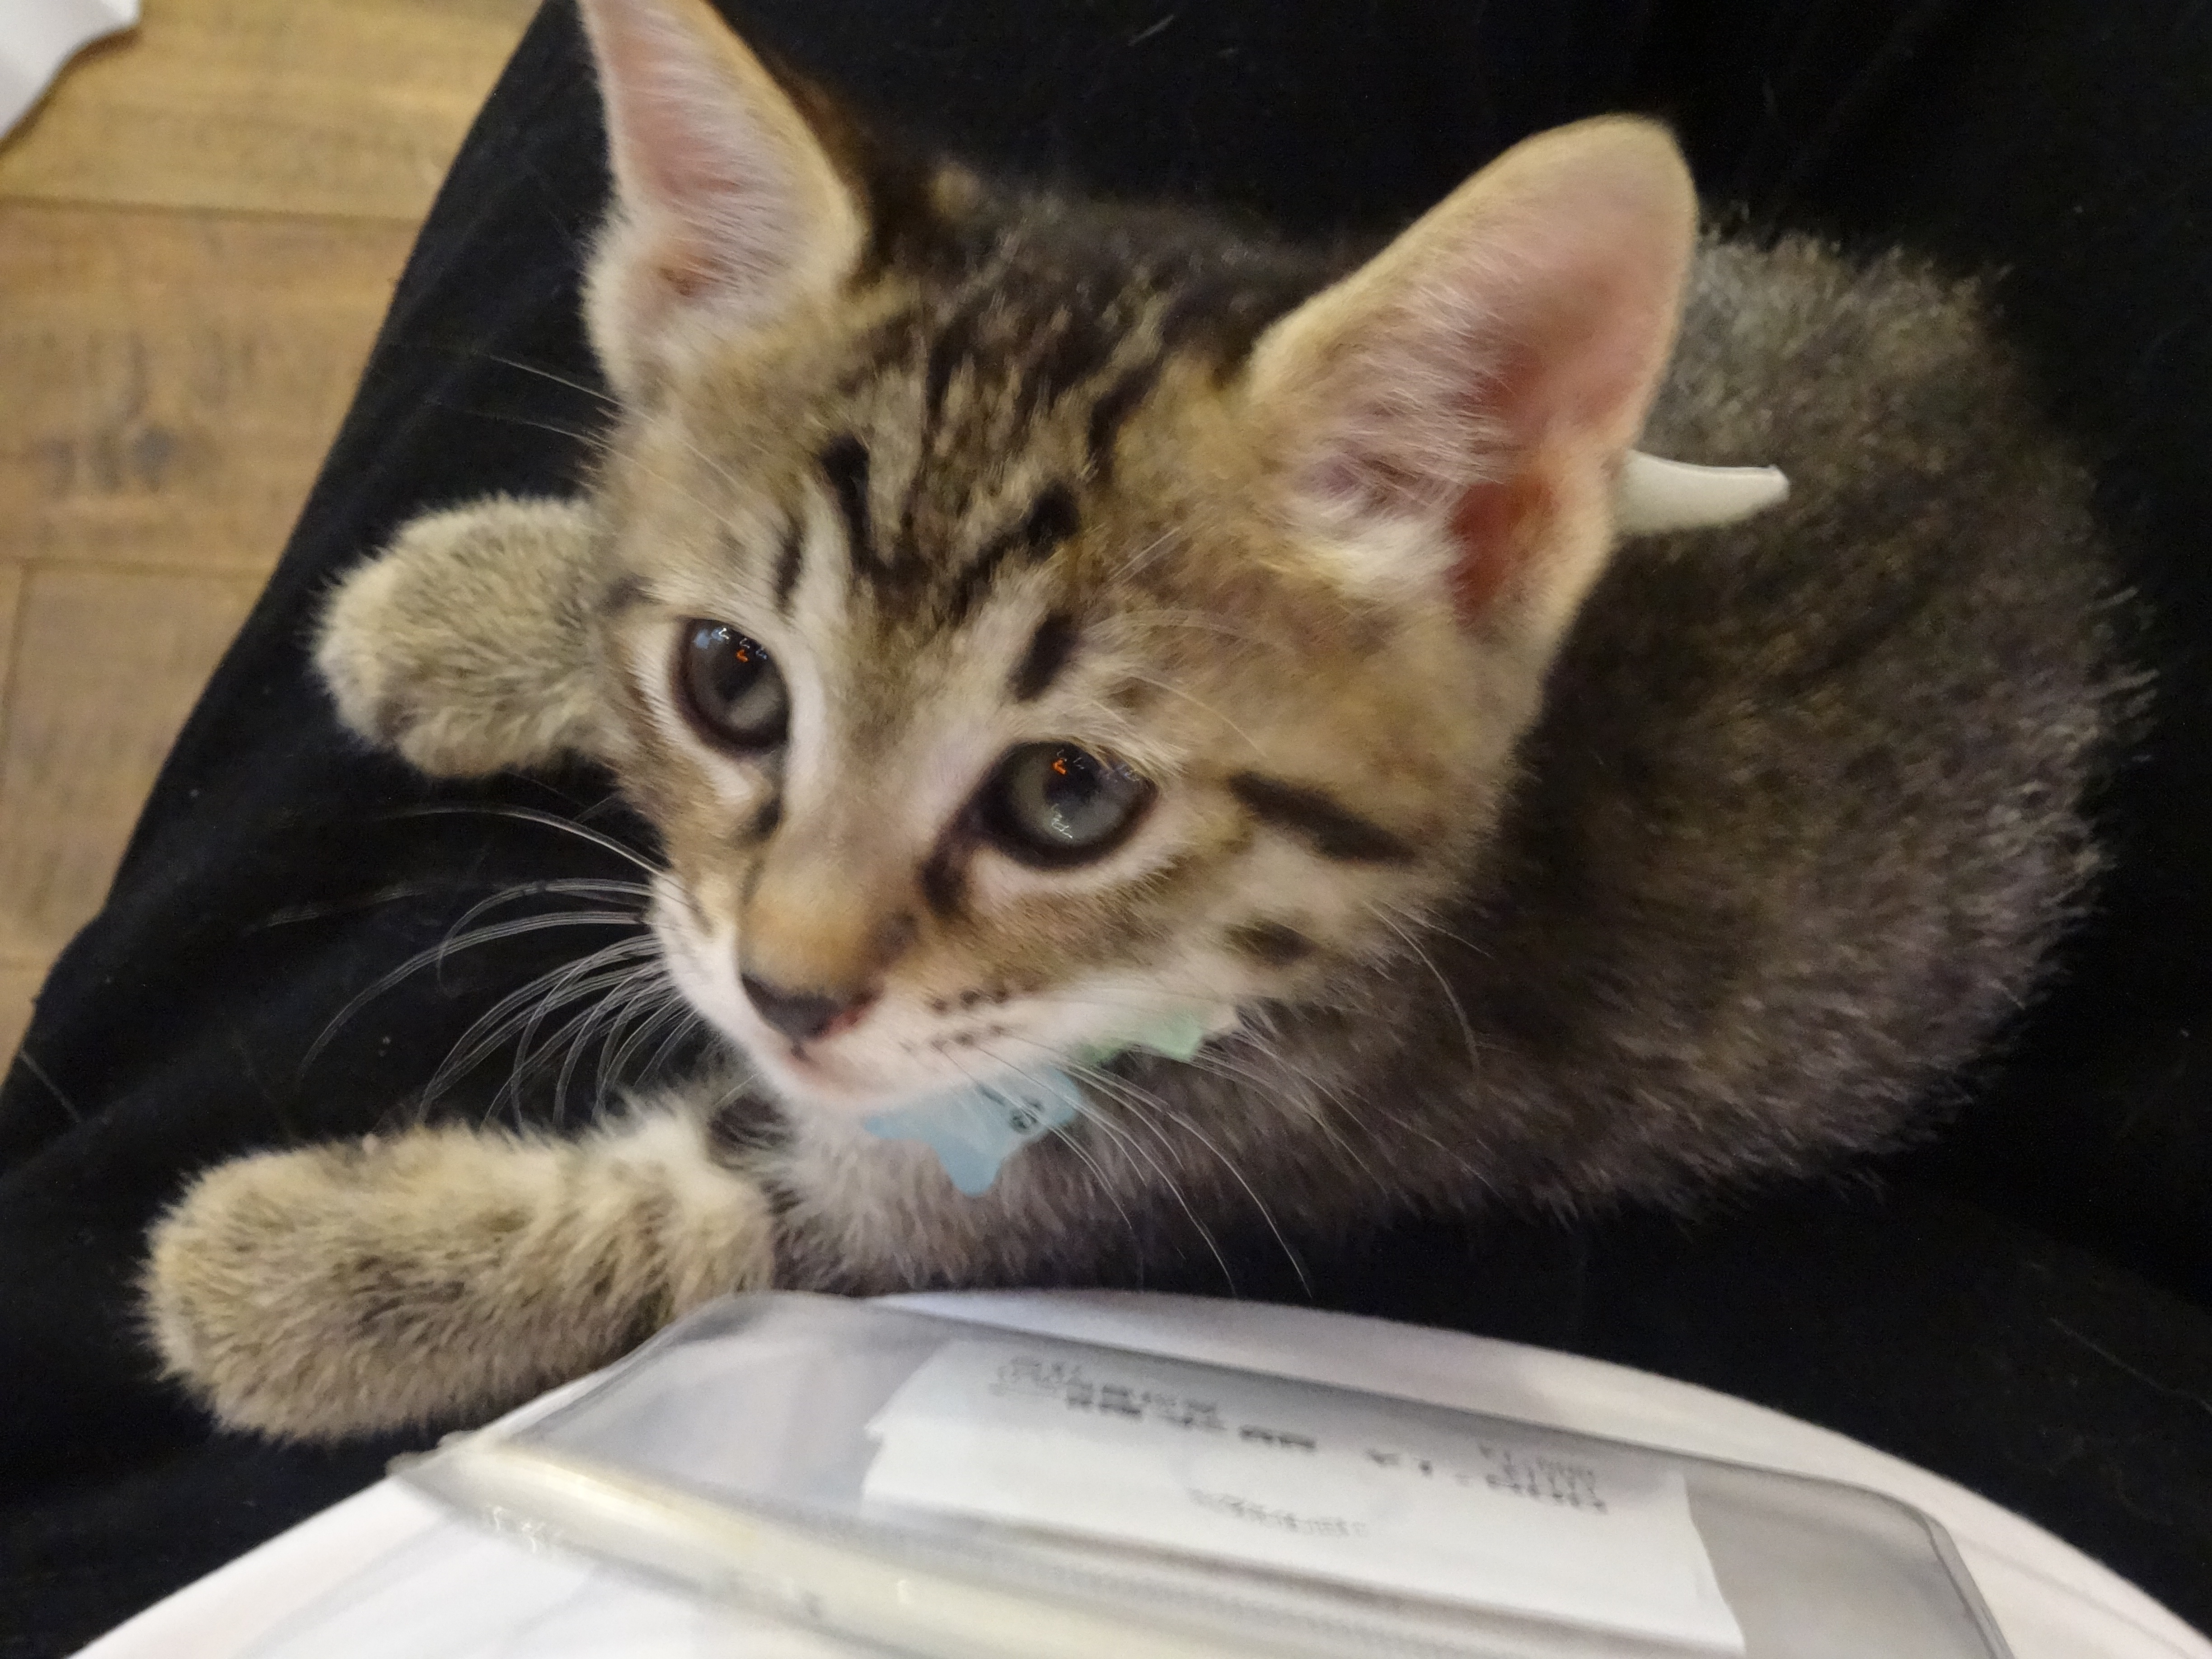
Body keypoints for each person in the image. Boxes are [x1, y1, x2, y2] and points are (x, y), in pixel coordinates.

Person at [4, 1, 2208, 1649]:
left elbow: (884, 1218)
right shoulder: (1215, 707)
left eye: (1063, 793)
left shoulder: (1333, 993)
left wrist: (588, 1241)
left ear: (1476, 544)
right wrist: (675, 646)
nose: (794, 955)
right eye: (736, 685)